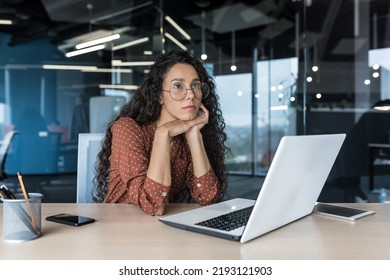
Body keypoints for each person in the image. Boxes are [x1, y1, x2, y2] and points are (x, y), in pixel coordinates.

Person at [93, 50, 230, 215]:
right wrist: (163, 134)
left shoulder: (186, 134)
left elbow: (208, 197)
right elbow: (153, 206)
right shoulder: (127, 129)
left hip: (164, 230)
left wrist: (194, 134)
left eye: (195, 85)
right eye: (178, 86)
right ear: (159, 96)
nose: (191, 95)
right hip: (122, 229)